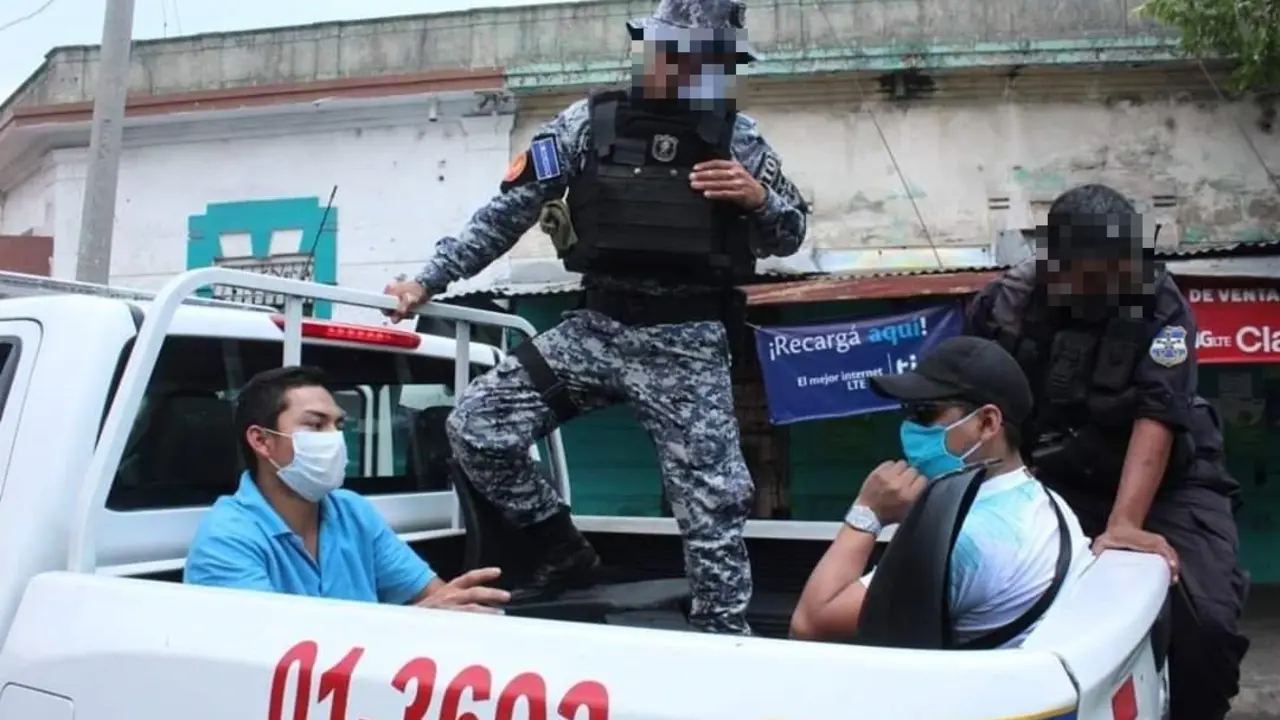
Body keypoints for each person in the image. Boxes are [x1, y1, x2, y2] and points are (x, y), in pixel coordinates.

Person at [381, 0, 808, 636]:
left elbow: (789, 234)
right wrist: (427, 278)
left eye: (701, 57)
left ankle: (725, 634)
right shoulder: (587, 124)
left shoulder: (739, 139)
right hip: (597, 327)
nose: (681, 67)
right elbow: (509, 212)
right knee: (477, 426)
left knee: (712, 503)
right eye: (671, 51)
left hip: (685, 339)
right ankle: (559, 547)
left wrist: (759, 198)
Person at [965, 183, 1249, 719]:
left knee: (1206, 629)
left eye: (1123, 267)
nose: (1116, 283)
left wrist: (1123, 524)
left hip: (1167, 485)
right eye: (1097, 274)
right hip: (1050, 482)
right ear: (1058, 267)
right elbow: (972, 403)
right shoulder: (1006, 305)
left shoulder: (1162, 307)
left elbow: (1158, 415)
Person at [790, 336, 1092, 646]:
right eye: (906, 412)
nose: (910, 427)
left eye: (924, 413)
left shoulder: (962, 541)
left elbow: (810, 624)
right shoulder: (1045, 502)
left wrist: (867, 513)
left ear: (987, 423)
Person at [185, 366, 510, 613]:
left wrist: (453, 605)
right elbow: (282, 661)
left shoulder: (351, 511)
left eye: (338, 425)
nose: (334, 437)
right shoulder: (226, 540)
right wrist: (416, 621)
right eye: (315, 425)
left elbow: (434, 596)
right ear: (261, 441)